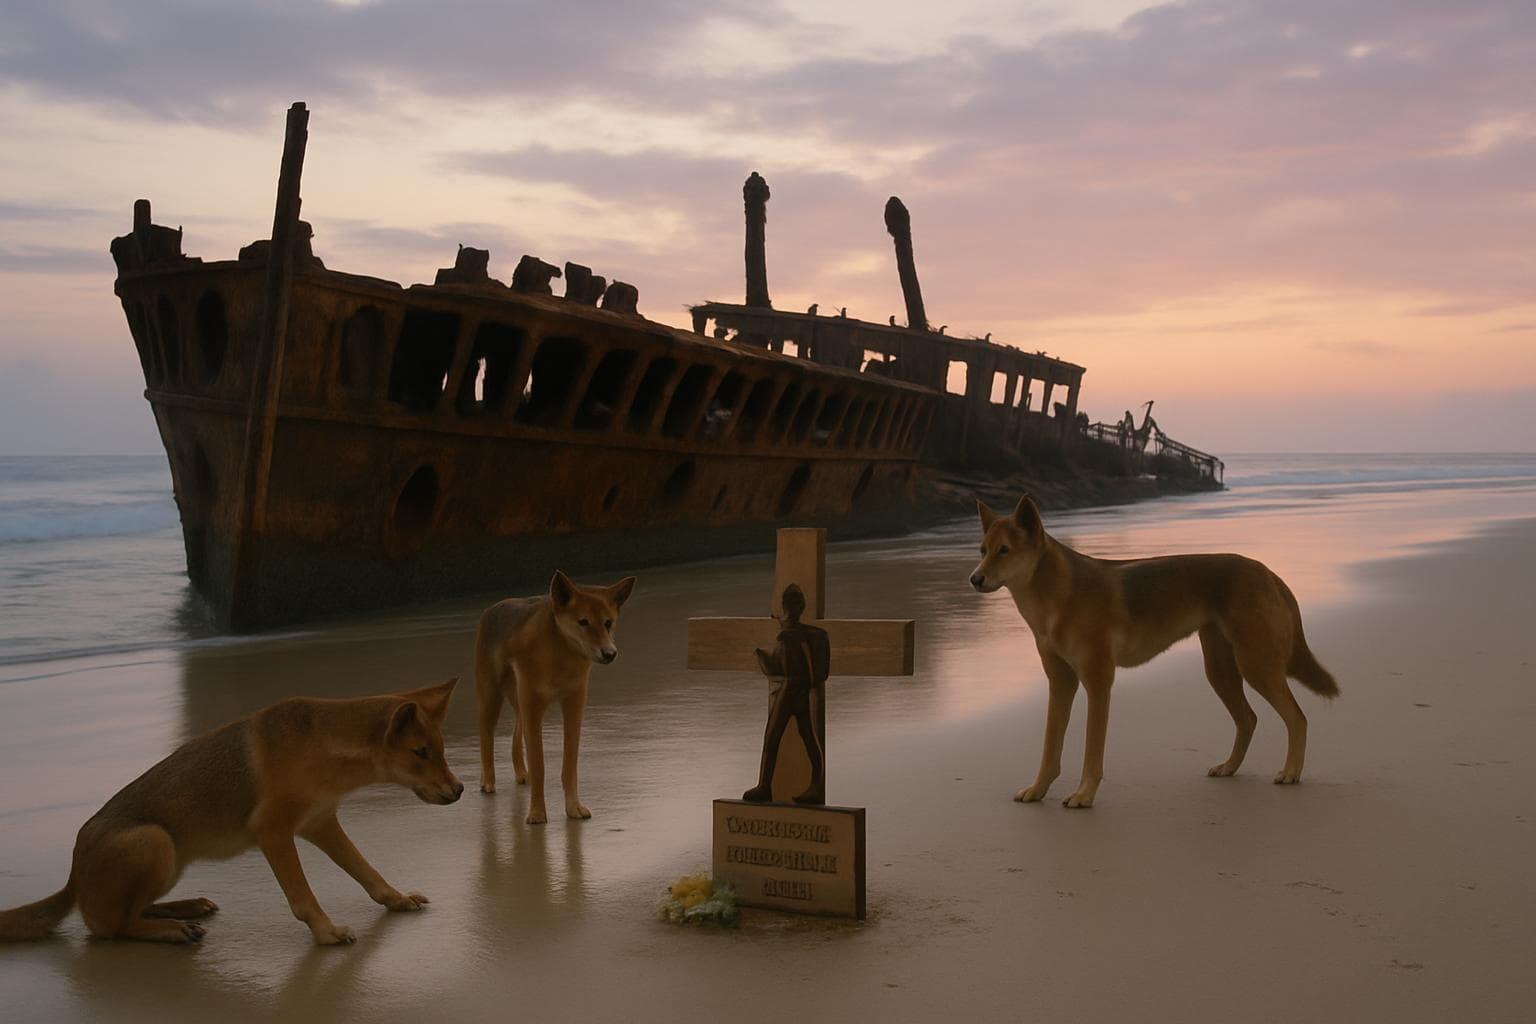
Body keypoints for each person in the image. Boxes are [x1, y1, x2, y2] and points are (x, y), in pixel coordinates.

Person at [742, 584, 829, 805]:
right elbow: (775, 668)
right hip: (788, 687)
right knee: (776, 737)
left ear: (801, 606)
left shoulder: (811, 635)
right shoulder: (785, 635)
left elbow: (819, 671)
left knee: (802, 737)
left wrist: (806, 683)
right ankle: (765, 787)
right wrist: (760, 654)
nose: (789, 608)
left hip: (795, 689)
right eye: (786, 604)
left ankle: (814, 785)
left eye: (793, 604)